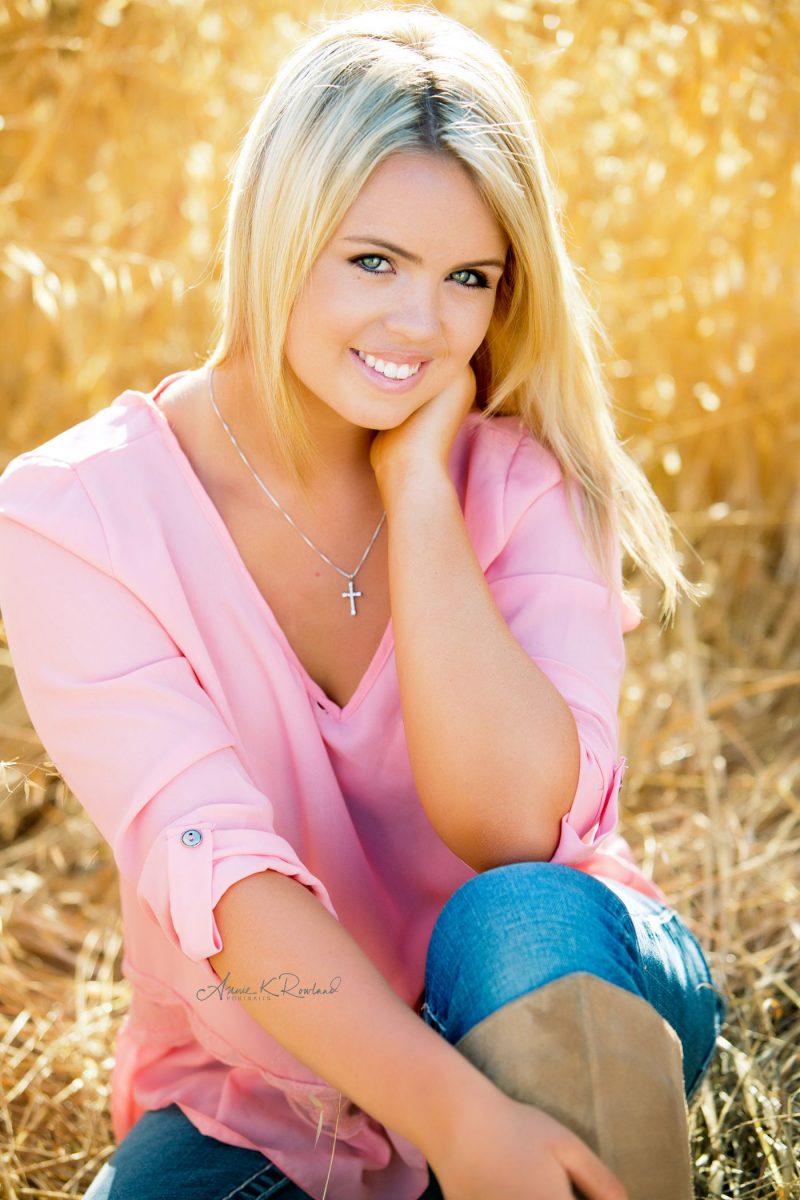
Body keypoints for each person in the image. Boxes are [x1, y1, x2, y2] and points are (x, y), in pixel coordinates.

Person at [0, 6, 725, 1199]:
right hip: (278, 1086)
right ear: (277, 234)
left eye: (467, 278)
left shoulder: (521, 483)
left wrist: (421, 497)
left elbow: (511, 835)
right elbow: (220, 880)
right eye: (373, 261)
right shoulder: (76, 518)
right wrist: (459, 1121)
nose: (420, 325)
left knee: (517, 917)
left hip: (554, 989)